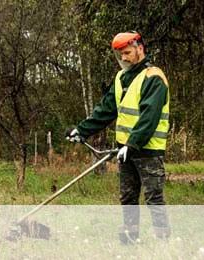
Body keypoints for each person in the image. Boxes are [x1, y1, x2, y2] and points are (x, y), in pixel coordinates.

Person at [66, 31, 171, 244]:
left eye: (127, 53)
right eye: (119, 55)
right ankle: (130, 240)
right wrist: (82, 130)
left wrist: (132, 144)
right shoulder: (121, 77)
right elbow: (106, 109)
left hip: (148, 150)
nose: (123, 58)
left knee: (154, 198)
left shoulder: (154, 78)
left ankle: (164, 244)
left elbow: (149, 117)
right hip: (126, 150)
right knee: (128, 198)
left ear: (140, 48)